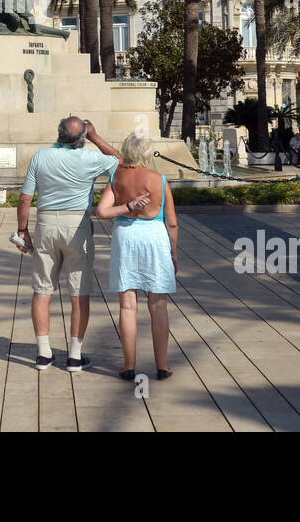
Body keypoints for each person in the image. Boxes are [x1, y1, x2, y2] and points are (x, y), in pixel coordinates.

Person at [15, 117, 121, 373]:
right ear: (82, 137)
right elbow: (120, 161)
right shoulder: (91, 159)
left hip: (46, 224)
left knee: (42, 289)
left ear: (58, 133)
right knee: (79, 292)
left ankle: (43, 353)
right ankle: (74, 356)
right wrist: (95, 137)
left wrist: (22, 230)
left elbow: (26, 198)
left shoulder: (40, 157)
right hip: (77, 226)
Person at [96, 133, 178, 381]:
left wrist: (127, 207)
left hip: (126, 237)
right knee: (158, 304)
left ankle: (128, 365)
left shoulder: (116, 178)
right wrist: (173, 253)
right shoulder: (159, 179)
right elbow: (172, 223)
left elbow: (102, 211)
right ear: (146, 153)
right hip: (154, 236)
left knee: (127, 305)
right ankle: (162, 366)